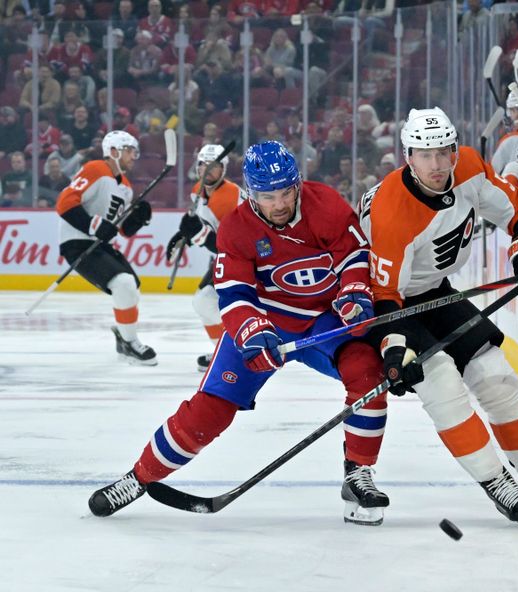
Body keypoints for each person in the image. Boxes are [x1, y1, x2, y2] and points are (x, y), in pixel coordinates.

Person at [88, 141, 391, 527]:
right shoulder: (236, 227)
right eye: (268, 196)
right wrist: (252, 331)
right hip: (266, 322)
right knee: (209, 412)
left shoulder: (326, 204)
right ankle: (139, 477)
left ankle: (358, 473)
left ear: (297, 183)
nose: (279, 204)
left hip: (323, 320)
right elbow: (233, 294)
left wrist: (353, 294)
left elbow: (354, 256)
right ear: (251, 193)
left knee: (368, 375)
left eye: (286, 192)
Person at [359, 107, 518, 525]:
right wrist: (394, 349)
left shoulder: (470, 167)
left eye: (444, 151)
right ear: (408, 156)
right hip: (387, 304)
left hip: (433, 291)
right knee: (441, 383)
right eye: (426, 155)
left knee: (495, 374)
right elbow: (385, 295)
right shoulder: (391, 211)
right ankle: (495, 481)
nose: (438, 164)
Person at [55, 130, 156, 365]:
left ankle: (123, 338)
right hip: (76, 243)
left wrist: (139, 218)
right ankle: (130, 343)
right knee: (123, 283)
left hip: (98, 245)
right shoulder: (96, 169)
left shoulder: (126, 187)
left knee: (132, 288)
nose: (134, 156)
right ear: (113, 151)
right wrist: (93, 225)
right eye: (130, 151)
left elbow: (121, 230)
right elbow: (65, 202)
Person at [165, 144, 245, 371]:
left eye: (214, 166)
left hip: (247, 258)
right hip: (230, 257)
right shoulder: (198, 192)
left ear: (224, 169)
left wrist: (197, 234)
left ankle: (238, 352)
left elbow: (227, 243)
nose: (208, 170)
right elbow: (206, 228)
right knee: (203, 301)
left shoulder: (229, 196)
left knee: (208, 302)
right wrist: (185, 236)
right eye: (203, 165)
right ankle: (225, 351)